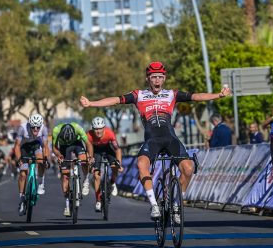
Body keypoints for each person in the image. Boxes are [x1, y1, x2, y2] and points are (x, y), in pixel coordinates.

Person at [80, 61, 231, 221]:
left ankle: (177, 203)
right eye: (154, 77)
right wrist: (91, 103)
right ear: (148, 79)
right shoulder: (139, 95)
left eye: (160, 77)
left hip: (170, 139)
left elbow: (196, 96)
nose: (157, 80)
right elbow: (116, 100)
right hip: (152, 140)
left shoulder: (172, 94)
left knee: (188, 168)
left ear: (164, 79)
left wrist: (218, 95)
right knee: (141, 165)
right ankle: (154, 206)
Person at [52, 121, 94, 217]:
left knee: (84, 160)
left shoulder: (78, 128)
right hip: (64, 147)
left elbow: (88, 143)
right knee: (65, 175)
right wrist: (59, 155)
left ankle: (86, 180)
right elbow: (54, 147)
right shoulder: (56, 130)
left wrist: (90, 157)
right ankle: (67, 203)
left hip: (77, 143)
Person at [14, 113, 51, 216]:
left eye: (37, 127)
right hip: (24, 147)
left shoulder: (43, 129)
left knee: (41, 161)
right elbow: (16, 146)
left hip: (36, 146)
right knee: (23, 174)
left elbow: (45, 147)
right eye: (33, 127)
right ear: (29, 125)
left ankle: (41, 183)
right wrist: (19, 159)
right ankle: (21, 198)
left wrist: (46, 159)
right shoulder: (22, 128)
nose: (35, 129)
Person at [87, 116, 124, 212]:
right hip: (96, 151)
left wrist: (119, 163)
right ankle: (98, 200)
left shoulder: (109, 133)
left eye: (100, 129)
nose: (98, 131)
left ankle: (112, 183)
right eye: (96, 129)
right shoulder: (89, 135)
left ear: (104, 128)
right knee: (96, 175)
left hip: (108, 149)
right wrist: (90, 162)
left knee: (114, 166)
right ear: (92, 129)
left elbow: (117, 149)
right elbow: (89, 151)